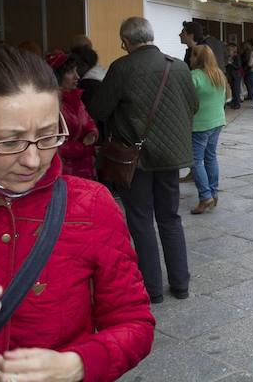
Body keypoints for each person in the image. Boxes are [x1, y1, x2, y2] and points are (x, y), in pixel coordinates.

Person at [0, 45, 155, 381]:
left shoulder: (91, 205)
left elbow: (134, 322)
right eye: (9, 142)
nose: (33, 160)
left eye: (48, 136)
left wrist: (80, 363)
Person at [90, 17, 198, 304]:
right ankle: (180, 283)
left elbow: (99, 108)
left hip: (135, 157)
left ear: (127, 41)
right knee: (170, 217)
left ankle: (152, 289)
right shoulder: (178, 66)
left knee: (141, 220)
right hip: (171, 156)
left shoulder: (121, 68)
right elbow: (193, 105)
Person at [44, 51, 98, 179]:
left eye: (76, 71)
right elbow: (55, 144)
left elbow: (89, 122)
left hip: (85, 170)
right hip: (64, 173)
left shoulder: (76, 99)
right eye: (70, 72)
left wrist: (92, 133)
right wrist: (86, 149)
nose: (77, 76)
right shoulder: (50, 106)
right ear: (57, 77)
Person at [189, 45, 228, 215]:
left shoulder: (195, 76)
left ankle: (205, 196)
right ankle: (213, 192)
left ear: (197, 58)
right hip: (217, 121)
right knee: (211, 156)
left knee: (196, 160)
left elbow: (187, 99)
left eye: (192, 55)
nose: (190, 58)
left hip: (199, 124)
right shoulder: (219, 74)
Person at [225, 42, 242, 109]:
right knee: (233, 90)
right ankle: (234, 102)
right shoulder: (229, 57)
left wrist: (230, 64)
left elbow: (238, 66)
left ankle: (237, 104)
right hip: (231, 76)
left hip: (236, 75)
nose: (229, 51)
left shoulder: (237, 56)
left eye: (230, 50)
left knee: (236, 90)